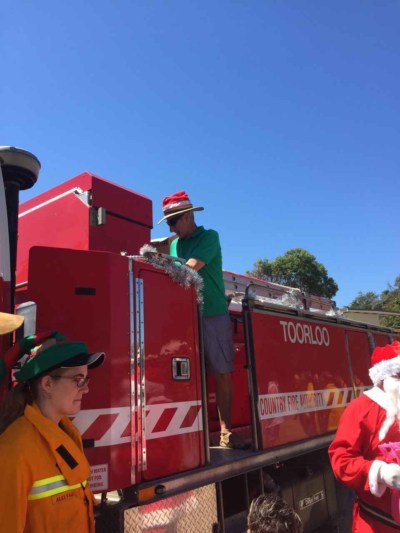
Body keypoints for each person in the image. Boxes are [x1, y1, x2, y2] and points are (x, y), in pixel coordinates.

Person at [159, 190, 245, 449]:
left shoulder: (209, 237)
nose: (172, 228)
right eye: (169, 223)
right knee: (184, 374)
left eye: (174, 221)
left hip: (211, 312)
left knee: (220, 372)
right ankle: (187, 434)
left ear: (187, 216)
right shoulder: (174, 244)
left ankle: (226, 432)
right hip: (184, 316)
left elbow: (188, 270)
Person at [0, 330, 105, 533]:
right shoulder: (14, 451)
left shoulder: (67, 435)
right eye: (78, 380)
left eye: (86, 380)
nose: (86, 390)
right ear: (47, 384)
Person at [329, 340, 400, 532]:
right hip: (377, 524)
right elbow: (341, 460)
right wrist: (380, 472)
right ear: (384, 377)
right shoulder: (361, 408)